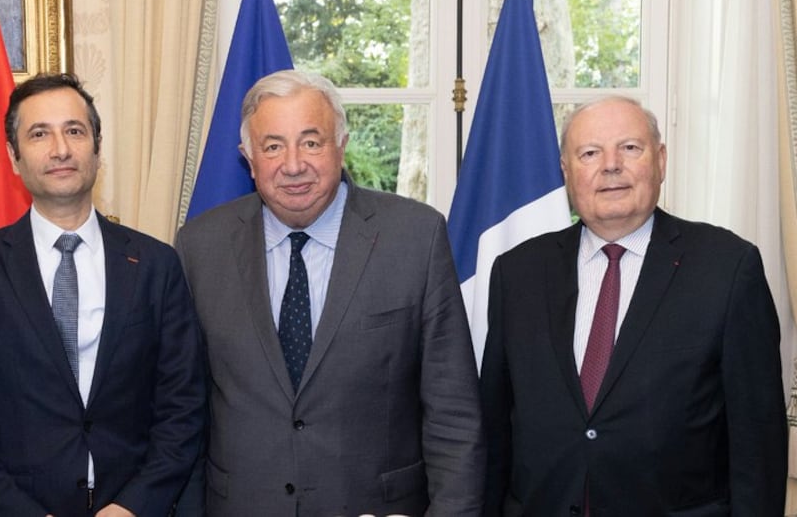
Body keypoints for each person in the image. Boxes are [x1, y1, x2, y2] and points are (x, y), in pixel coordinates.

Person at [175, 70, 484, 515]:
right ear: (248, 156)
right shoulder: (199, 246)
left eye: (312, 141)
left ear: (341, 144)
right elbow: (183, 411)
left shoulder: (415, 237)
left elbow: (452, 414)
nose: (294, 164)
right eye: (273, 145)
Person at [480, 96, 786, 516]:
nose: (610, 165)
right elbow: (494, 430)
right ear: (567, 172)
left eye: (629, 148)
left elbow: (758, 443)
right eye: (590, 153)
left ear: (660, 160)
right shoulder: (517, 273)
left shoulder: (728, 268)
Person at [0, 73, 207, 517]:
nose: (60, 149)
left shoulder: (156, 263)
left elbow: (183, 403)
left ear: (97, 148)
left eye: (74, 131)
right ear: (13, 156)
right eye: (39, 134)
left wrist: (133, 506)